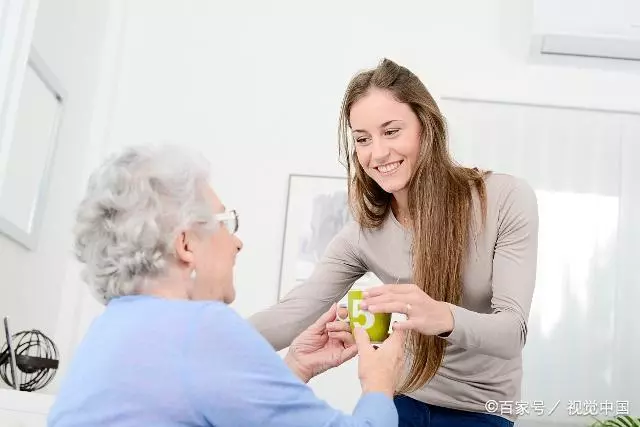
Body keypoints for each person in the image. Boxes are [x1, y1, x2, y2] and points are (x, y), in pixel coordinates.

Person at [249, 58, 539, 427]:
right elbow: (292, 313)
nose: (378, 153)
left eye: (392, 131)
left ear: (426, 127)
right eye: (363, 139)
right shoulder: (362, 234)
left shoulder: (503, 198)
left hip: (483, 411)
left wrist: (440, 315)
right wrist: (199, 341)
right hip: (401, 400)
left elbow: (512, 333)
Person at [47, 144, 406, 427]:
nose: (236, 243)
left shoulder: (109, 330)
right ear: (185, 243)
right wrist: (378, 381)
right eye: (225, 222)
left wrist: (296, 365)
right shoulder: (200, 328)